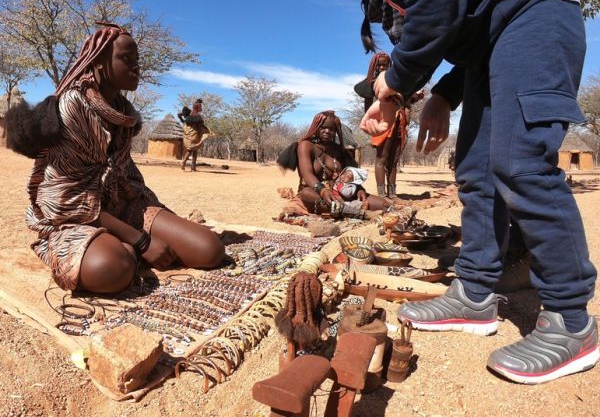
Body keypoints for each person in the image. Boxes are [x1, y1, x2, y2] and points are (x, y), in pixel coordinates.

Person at [304, 0, 598, 383]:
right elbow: (467, 32)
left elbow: (440, 4)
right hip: (495, 47)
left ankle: (572, 322)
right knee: (478, 170)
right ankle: (476, 293)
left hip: (536, 18)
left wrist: (394, 88)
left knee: (520, 162)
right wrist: (441, 94)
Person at [6, 24, 224, 294]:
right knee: (111, 268)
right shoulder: (73, 108)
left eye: (138, 61)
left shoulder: (124, 112)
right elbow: (66, 201)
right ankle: (116, 250)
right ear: (98, 63)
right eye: (126, 59)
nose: (136, 68)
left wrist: (148, 223)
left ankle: (122, 247)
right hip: (74, 218)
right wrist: (142, 242)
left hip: (123, 206)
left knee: (210, 249)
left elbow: (126, 176)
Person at [277, 110, 389, 220]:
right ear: (316, 128)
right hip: (316, 194)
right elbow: (307, 174)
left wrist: (359, 189)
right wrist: (323, 190)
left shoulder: (339, 150)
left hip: (341, 192)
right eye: (323, 127)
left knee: (383, 204)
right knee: (306, 193)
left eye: (331, 129)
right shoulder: (305, 146)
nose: (327, 131)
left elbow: (349, 174)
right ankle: (360, 213)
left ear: (335, 131)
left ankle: (348, 208)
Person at [354, 52, 420, 198]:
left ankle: (393, 194)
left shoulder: (398, 82)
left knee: (394, 160)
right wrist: (373, 122)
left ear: (390, 65)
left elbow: (408, 98)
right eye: (379, 65)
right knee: (382, 158)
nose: (382, 67)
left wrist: (415, 95)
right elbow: (368, 108)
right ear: (374, 67)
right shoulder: (371, 83)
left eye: (385, 64)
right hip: (382, 124)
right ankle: (382, 195)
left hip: (399, 123)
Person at [178, 99, 211, 171]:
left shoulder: (189, 115)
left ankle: (193, 167)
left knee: (195, 150)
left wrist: (182, 121)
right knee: (191, 149)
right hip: (194, 134)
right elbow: (200, 125)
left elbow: (179, 115)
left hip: (189, 133)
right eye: (200, 107)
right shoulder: (197, 117)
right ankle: (183, 162)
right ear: (198, 107)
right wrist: (206, 130)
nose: (201, 108)